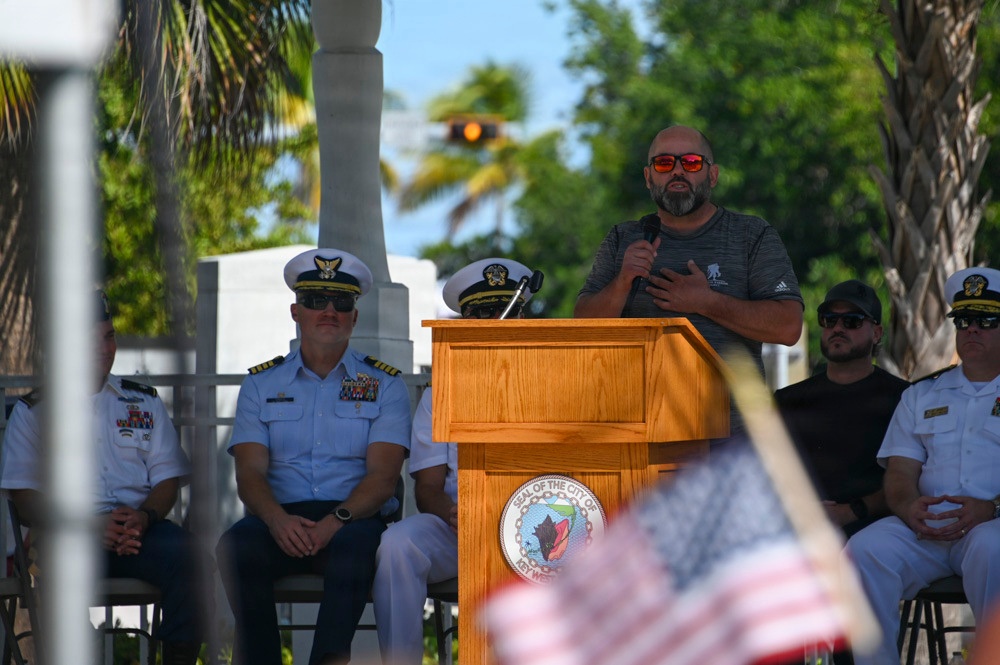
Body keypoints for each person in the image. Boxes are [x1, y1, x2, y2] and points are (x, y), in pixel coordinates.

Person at [216, 248, 411, 665]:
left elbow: (382, 476)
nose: (329, 311)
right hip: (279, 517)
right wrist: (275, 519)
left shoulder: (386, 385)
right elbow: (249, 473)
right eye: (314, 300)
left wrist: (334, 521)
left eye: (342, 302)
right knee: (235, 546)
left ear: (355, 317)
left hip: (351, 518)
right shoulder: (259, 384)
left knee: (359, 547)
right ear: (295, 311)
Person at [0, 291, 203, 665]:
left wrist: (144, 518)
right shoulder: (34, 413)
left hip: (138, 531)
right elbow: (24, 496)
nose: (103, 348)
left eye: (108, 336)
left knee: (191, 556)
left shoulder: (144, 402)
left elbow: (167, 479)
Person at [372, 257, 537, 665]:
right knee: (397, 544)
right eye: (482, 313)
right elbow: (426, 487)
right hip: (461, 527)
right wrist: (452, 512)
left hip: (538, 529)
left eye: (505, 312)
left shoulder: (552, 377)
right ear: (464, 320)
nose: (493, 323)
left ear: (522, 315)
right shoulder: (441, 390)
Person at [846, 267, 1000, 665]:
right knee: (863, 550)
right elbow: (899, 473)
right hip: (927, 525)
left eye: (987, 321)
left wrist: (991, 508)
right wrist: (907, 506)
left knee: (991, 548)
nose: (972, 330)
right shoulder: (923, 394)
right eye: (964, 321)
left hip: (991, 523)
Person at [774, 280, 910, 537]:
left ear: (877, 333)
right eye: (829, 320)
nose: (837, 328)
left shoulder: (905, 399)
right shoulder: (787, 400)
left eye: (852, 321)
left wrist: (851, 511)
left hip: (876, 532)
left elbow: (910, 482)